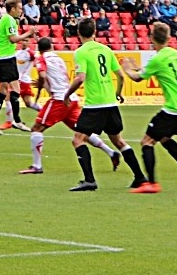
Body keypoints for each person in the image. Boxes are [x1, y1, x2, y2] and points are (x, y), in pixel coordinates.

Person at [63, 18, 148, 193]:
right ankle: (140, 177)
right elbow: (122, 76)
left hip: (95, 104)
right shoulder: (106, 49)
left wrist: (67, 94)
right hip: (110, 102)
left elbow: (80, 77)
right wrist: (117, 93)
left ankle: (89, 180)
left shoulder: (81, 52)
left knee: (78, 140)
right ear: (95, 32)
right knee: (118, 141)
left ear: (78, 33)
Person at [120, 22, 177, 194]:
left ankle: (152, 183)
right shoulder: (172, 52)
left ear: (151, 38)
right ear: (169, 38)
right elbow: (159, 71)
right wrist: (140, 67)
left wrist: (127, 69)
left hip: (174, 108)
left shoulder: (157, 59)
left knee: (146, 142)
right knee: (163, 138)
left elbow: (137, 78)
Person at [20, 36, 118, 175]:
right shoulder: (59, 59)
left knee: (36, 129)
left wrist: (41, 87)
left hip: (59, 100)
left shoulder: (41, 59)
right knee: (82, 132)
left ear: (39, 49)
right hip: (71, 99)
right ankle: (111, 152)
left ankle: (37, 166)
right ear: (52, 47)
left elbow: (42, 76)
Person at [0, 0, 32, 134]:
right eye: (19, 8)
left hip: (0, 57)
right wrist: (29, 33)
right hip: (6, 58)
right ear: (13, 9)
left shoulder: (5, 19)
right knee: (16, 89)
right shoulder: (9, 20)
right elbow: (13, 39)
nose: (21, 10)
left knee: (3, 90)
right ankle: (17, 121)